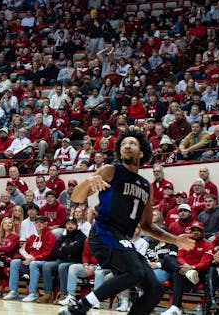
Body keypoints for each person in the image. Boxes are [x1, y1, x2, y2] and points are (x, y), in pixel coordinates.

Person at [59, 130, 195, 315]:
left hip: (123, 238)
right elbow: (76, 197)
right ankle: (81, 307)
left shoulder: (145, 185)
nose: (127, 146)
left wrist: (175, 239)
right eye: (123, 144)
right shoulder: (110, 170)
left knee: (155, 290)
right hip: (104, 232)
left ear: (141, 152)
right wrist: (89, 181)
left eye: (132, 143)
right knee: (135, 272)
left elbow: (147, 225)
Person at [161, 221, 214, 315]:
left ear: (203, 232)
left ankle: (176, 307)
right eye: (193, 230)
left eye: (198, 230)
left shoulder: (208, 246)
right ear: (190, 232)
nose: (196, 232)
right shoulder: (185, 243)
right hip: (184, 271)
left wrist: (192, 267)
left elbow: (205, 263)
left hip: (198, 275)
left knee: (177, 273)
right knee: (167, 258)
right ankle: (175, 307)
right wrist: (185, 265)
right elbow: (179, 257)